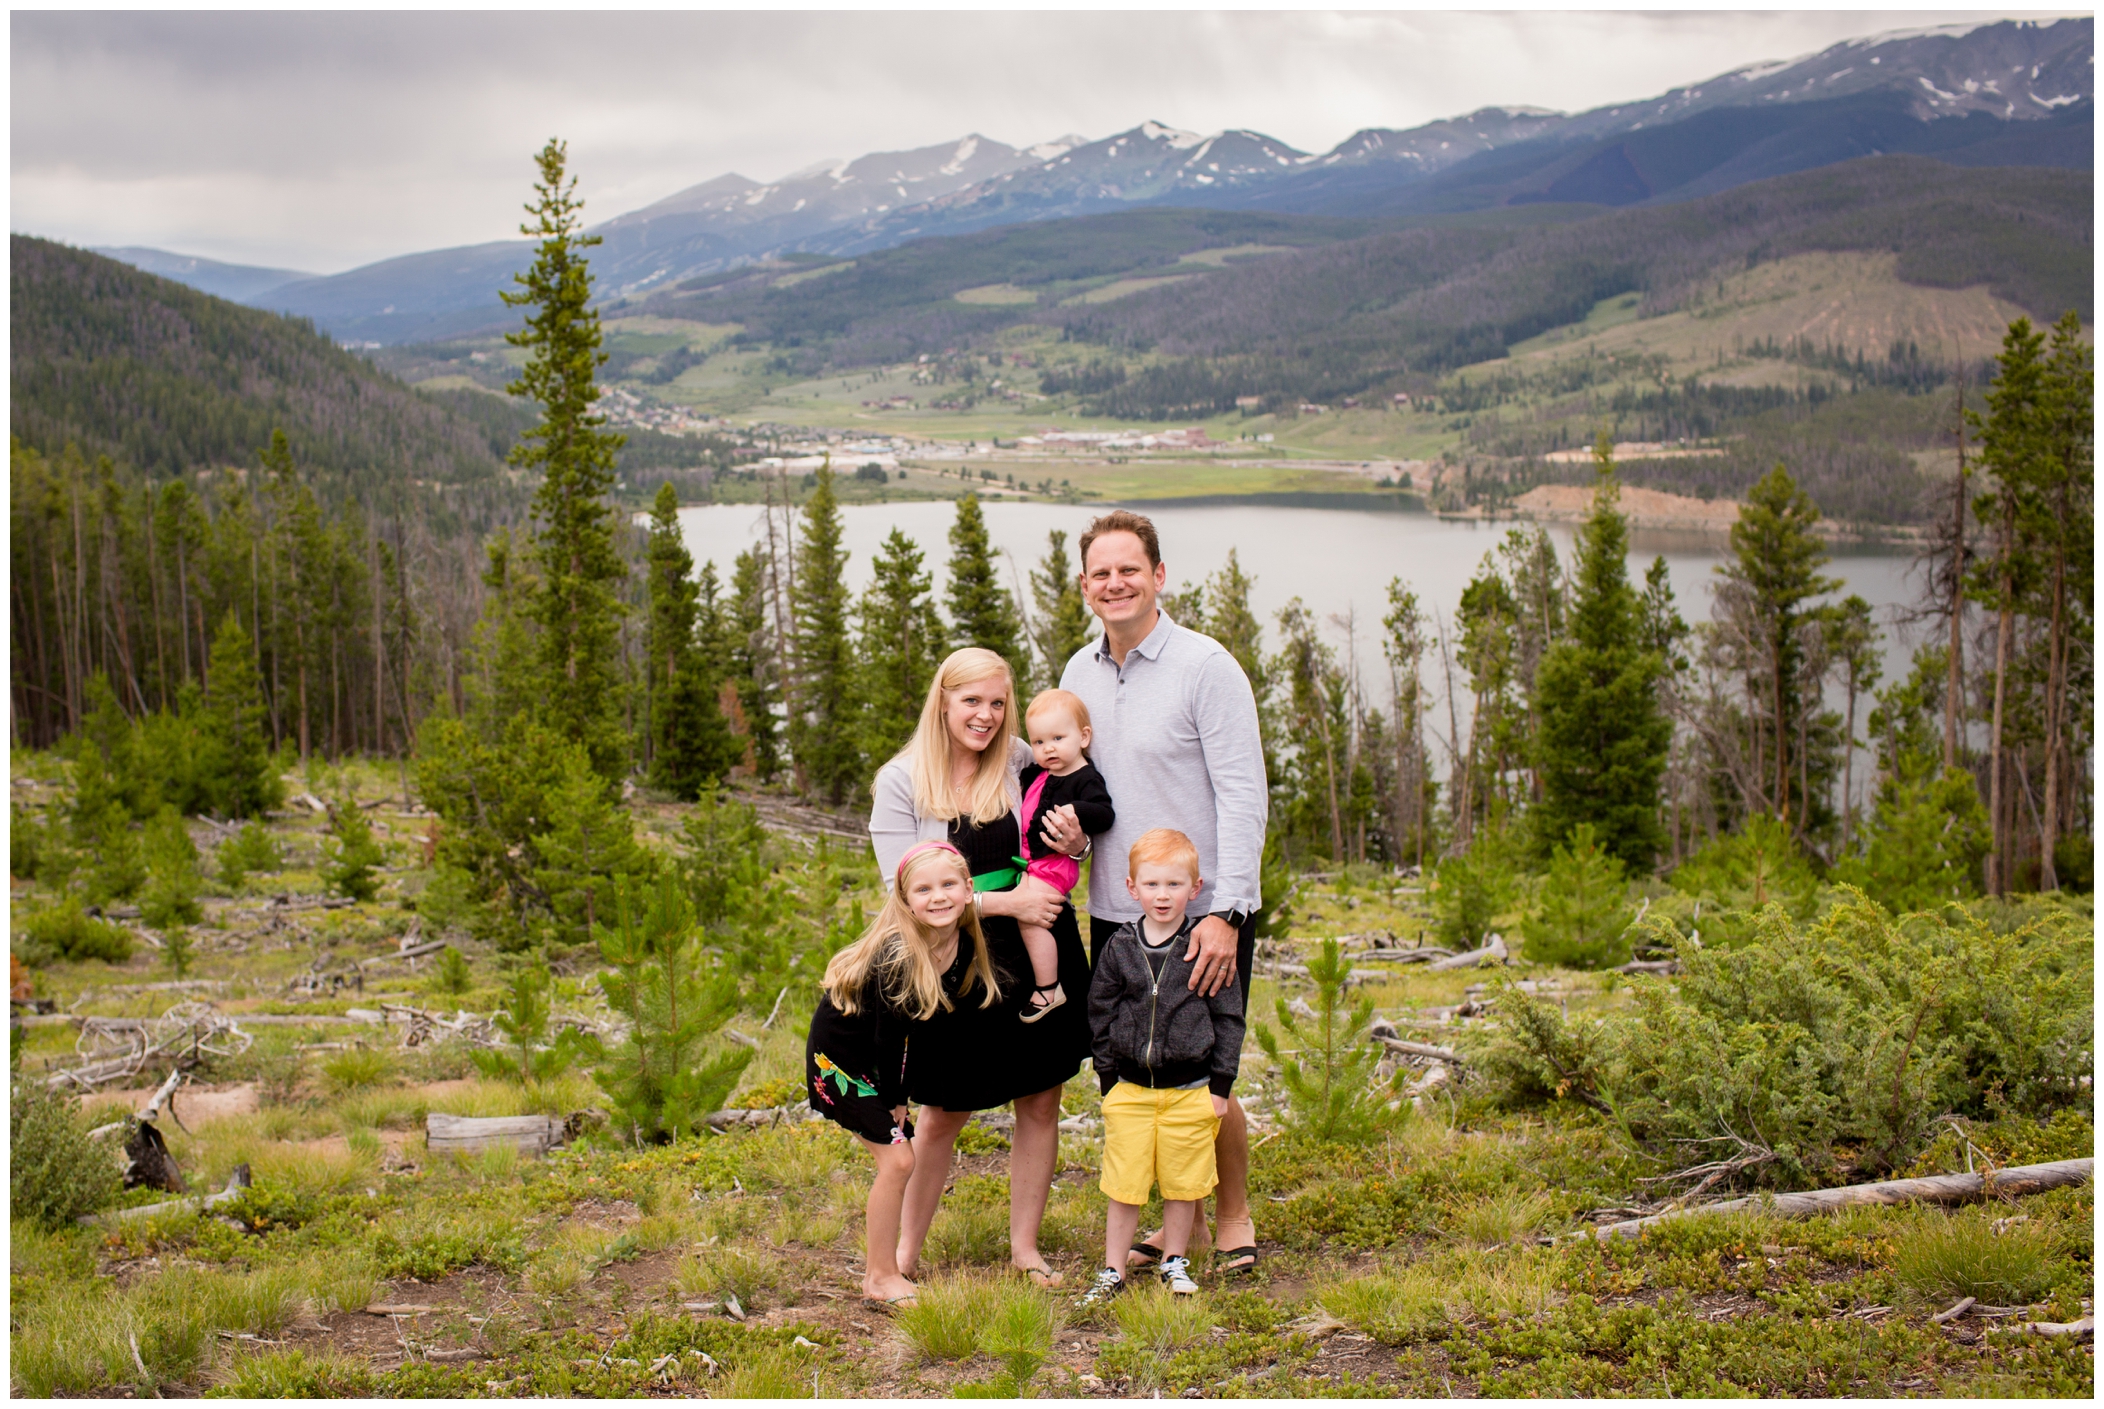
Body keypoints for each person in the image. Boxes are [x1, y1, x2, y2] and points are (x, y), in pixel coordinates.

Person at [1048, 509, 1269, 1277]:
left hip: (1201, 909)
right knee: (1141, 1071)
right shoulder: (1077, 674)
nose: (1115, 583)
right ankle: (1181, 1223)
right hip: (1114, 908)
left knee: (1201, 1069)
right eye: (1100, 573)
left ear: (1159, 576)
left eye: (1129, 569)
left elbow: (1244, 795)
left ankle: (1231, 1212)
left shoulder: (1206, 667)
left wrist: (1231, 914)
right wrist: (1073, 835)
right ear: (1084, 586)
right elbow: (1081, 782)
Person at [867, 647, 1090, 1288]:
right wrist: (998, 901)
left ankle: (1025, 1247)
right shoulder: (903, 780)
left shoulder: (1023, 758)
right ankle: (904, 1254)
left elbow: (1073, 824)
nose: (986, 716)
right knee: (942, 1111)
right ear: (943, 700)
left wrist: (1080, 843)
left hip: (1037, 945)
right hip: (954, 961)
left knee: (1041, 1099)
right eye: (972, 702)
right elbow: (899, 889)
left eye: (998, 702)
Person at [806, 840, 1000, 1308]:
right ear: (904, 899)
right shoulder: (900, 954)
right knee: (898, 1160)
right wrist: (896, 1100)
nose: (938, 897)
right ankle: (879, 1276)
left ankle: (890, 1267)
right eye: (923, 889)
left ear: (968, 889)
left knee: (901, 1158)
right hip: (840, 1062)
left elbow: (931, 1025)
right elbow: (889, 1038)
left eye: (949, 885)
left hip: (878, 1061)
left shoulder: (963, 944)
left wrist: (906, 1092)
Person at [1078, 829, 1244, 1307]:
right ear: (1132, 888)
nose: (1162, 895)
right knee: (1124, 1183)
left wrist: (1220, 1085)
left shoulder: (1203, 947)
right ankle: (1112, 1268)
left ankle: (1176, 1259)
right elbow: (1101, 1010)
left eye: (1174, 885)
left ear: (1195, 889)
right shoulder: (1121, 948)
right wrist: (1108, 1078)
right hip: (1129, 1088)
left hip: (1191, 1088)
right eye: (1151, 885)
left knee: (1182, 1182)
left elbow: (1228, 1018)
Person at [1014, 689, 1116, 1023]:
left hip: (1055, 866)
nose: (1049, 748)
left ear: (1083, 736)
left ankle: (1048, 987)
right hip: (1032, 864)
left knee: (1029, 917)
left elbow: (1105, 814)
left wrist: (1076, 810)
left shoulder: (1085, 778)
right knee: (1019, 911)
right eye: (1040, 742)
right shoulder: (1039, 774)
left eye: (1058, 738)